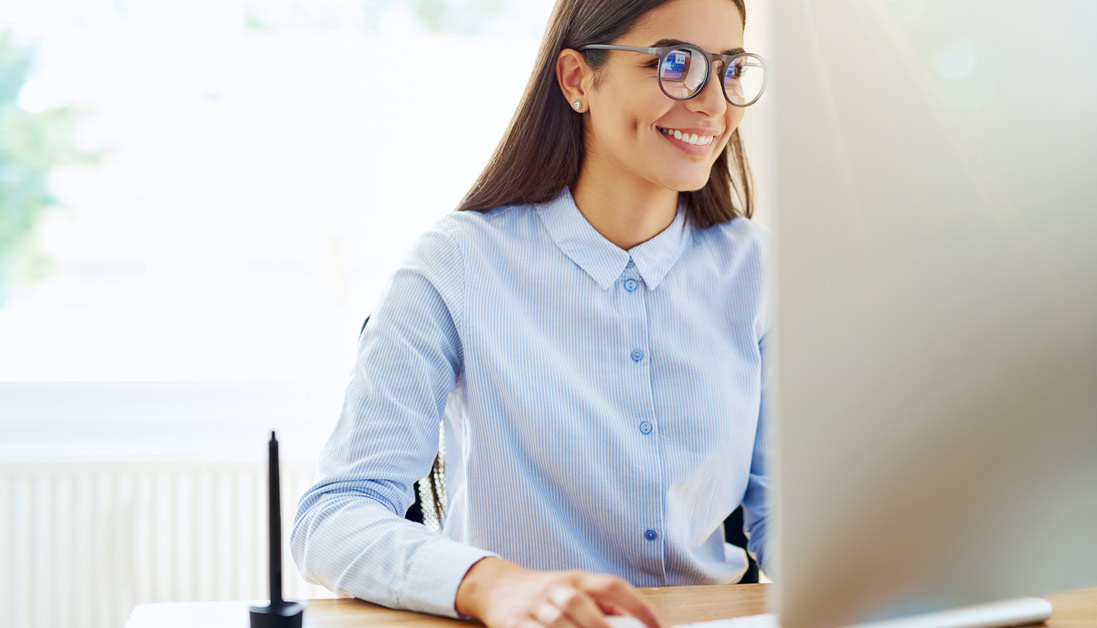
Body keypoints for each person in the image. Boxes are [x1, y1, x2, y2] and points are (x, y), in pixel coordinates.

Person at [291, 0, 770, 626]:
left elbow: (789, 515)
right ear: (577, 80)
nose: (712, 104)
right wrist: (486, 583)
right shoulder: (457, 264)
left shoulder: (758, 271)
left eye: (730, 69)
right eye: (675, 64)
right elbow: (334, 515)